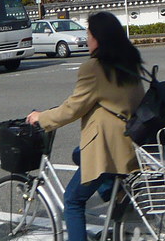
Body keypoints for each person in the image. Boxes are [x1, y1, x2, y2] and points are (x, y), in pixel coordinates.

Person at [26, 12, 144, 241]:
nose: (87, 39)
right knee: (78, 154)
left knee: (72, 201)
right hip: (130, 141)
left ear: (99, 38)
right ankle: (115, 195)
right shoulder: (130, 59)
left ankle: (114, 194)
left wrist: (41, 117)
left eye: (89, 34)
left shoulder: (94, 68)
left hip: (108, 147)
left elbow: (73, 108)